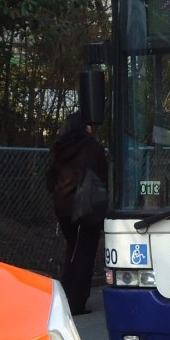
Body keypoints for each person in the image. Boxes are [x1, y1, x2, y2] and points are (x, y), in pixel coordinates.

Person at [45, 110, 108, 315]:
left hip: (62, 207)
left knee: (72, 250)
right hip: (86, 208)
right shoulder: (92, 147)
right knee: (84, 254)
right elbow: (102, 174)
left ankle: (65, 298)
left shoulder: (59, 147)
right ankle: (77, 302)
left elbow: (49, 179)